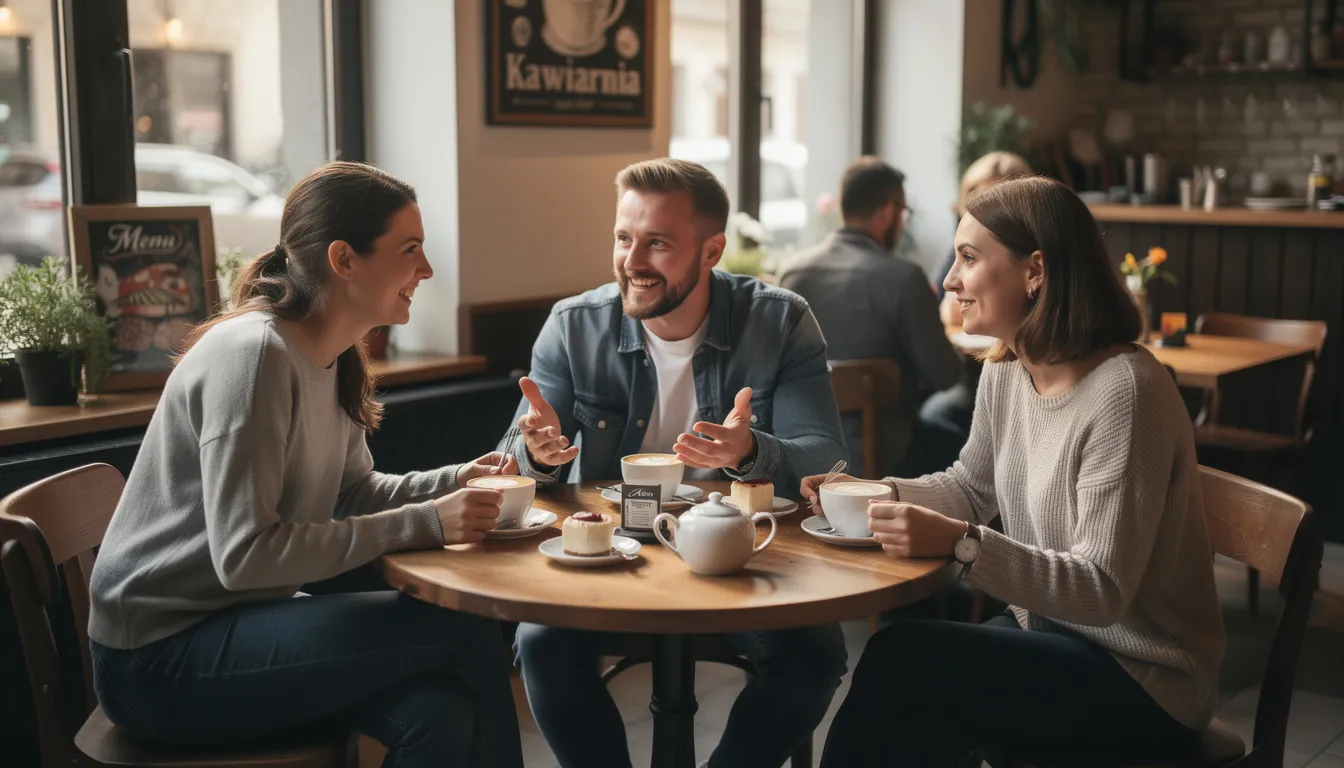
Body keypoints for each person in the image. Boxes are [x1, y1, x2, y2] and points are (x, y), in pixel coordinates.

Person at [87, 162, 524, 768]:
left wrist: (454, 482)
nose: (426, 269)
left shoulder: (333, 353)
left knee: (437, 713)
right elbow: (245, 556)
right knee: (464, 627)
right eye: (410, 250)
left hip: (240, 622)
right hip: (158, 660)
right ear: (344, 260)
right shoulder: (254, 356)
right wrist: (426, 521)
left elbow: (351, 492)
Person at [805, 176, 1225, 766]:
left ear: (1036, 271)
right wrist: (868, 493)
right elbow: (969, 488)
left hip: (1144, 678)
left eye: (969, 258)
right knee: (908, 690)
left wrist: (963, 545)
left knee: (902, 662)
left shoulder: (1126, 392)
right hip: (1050, 634)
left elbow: (1102, 589)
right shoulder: (1006, 369)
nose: (949, 280)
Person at [499, 158, 848, 768]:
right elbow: (508, 464)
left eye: (657, 243)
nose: (632, 261)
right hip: (615, 553)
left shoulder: (780, 319)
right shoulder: (574, 326)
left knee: (815, 655)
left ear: (712, 250)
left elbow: (826, 456)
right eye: (623, 238)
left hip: (741, 553)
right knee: (541, 642)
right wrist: (535, 455)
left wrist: (750, 452)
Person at [778, 157, 963, 475]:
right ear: (889, 211)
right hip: (887, 458)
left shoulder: (792, 274)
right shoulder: (903, 278)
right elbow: (944, 375)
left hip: (801, 452)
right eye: (903, 212)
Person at [919, 151, 1035, 473]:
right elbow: (944, 307)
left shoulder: (1026, 259)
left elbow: (952, 310)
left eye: (995, 200)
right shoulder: (962, 248)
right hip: (972, 371)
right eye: (976, 199)